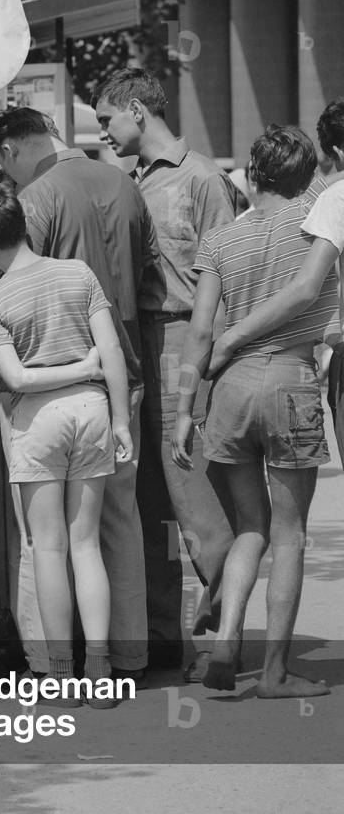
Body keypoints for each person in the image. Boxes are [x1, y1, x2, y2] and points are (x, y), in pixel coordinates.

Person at [0, 106, 158, 682]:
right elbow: (148, 275)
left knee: (49, 540)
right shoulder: (122, 181)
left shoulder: (36, 197)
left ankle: (52, 663)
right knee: (119, 523)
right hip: (121, 380)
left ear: (11, 150)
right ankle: (128, 657)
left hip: (47, 388)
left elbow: (12, 285)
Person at [172, 125, 338, 697]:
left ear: (251, 172)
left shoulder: (220, 241)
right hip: (290, 379)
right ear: (307, 178)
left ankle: (227, 638)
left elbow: (199, 331)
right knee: (290, 535)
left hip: (231, 387)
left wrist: (182, 408)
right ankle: (273, 674)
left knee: (250, 527)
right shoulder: (318, 231)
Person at [93, 66, 245, 676]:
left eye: (106, 118)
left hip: (187, 340)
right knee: (146, 502)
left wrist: (211, 362)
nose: (102, 131)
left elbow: (228, 278)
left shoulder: (203, 178)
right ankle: (161, 636)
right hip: (138, 343)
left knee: (196, 495)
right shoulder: (129, 181)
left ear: (136, 109)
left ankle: (224, 633)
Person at [0, 175, 132, 703]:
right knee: (87, 545)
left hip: (38, 422)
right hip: (94, 410)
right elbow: (113, 355)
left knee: (48, 549)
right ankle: (100, 668)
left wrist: (68, 368)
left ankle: (60, 674)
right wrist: (121, 419)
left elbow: (18, 379)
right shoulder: (78, 274)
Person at [208, 101, 344, 450]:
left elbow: (304, 288)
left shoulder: (332, 200)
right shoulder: (321, 201)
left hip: (252, 369)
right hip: (293, 374)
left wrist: (227, 342)